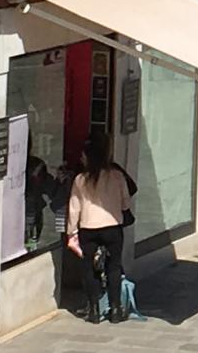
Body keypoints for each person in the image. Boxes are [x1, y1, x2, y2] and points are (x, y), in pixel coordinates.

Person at [67, 132, 133, 325]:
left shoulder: (80, 180)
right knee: (114, 267)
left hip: (89, 228)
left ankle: (94, 309)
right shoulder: (116, 176)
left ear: (88, 157)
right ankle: (115, 309)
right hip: (112, 227)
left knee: (88, 268)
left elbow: (74, 208)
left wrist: (71, 232)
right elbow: (125, 201)